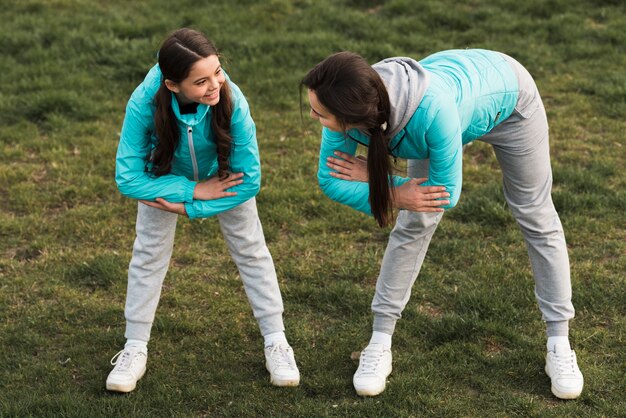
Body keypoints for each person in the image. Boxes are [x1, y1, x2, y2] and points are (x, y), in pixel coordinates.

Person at [301, 49, 583, 399]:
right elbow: (330, 180)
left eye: (319, 112)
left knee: (535, 213)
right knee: (415, 221)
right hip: (438, 112)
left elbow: (446, 194)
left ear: (350, 115)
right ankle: (379, 340)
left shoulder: (431, 111)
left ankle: (559, 341)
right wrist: (398, 193)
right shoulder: (349, 99)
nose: (314, 117)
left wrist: (382, 182)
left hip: (509, 103)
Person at [108, 28, 299, 393]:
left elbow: (250, 180)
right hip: (162, 181)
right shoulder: (144, 102)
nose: (215, 85)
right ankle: (134, 346)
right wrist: (191, 191)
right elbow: (128, 178)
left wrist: (193, 206)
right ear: (172, 85)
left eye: (218, 71)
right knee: (148, 255)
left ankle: (277, 341)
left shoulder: (232, 99)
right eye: (201, 81)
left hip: (224, 178)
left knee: (252, 251)